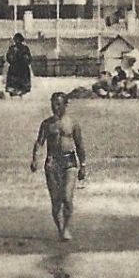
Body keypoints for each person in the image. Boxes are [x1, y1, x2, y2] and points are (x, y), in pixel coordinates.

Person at [31, 92, 87, 242]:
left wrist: (83, 165)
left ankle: (66, 227)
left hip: (69, 162)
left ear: (65, 105)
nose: (55, 107)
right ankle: (60, 228)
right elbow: (39, 143)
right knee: (56, 200)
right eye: (53, 104)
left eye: (58, 104)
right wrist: (35, 159)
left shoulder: (73, 123)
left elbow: (80, 146)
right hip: (52, 162)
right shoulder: (47, 124)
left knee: (67, 198)